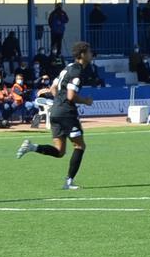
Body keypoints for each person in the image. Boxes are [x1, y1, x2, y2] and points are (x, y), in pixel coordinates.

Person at [16, 41, 95, 190]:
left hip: (55, 112)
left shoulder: (67, 68)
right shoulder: (77, 71)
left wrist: (59, 101)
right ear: (82, 55)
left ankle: (31, 147)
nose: (91, 55)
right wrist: (86, 101)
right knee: (80, 145)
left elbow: (53, 88)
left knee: (60, 151)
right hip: (67, 113)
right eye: (90, 52)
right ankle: (69, 182)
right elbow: (71, 96)